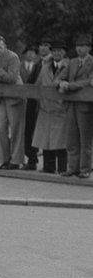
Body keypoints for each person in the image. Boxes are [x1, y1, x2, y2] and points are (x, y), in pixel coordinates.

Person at [56, 33, 93, 178]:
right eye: (78, 46)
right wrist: (60, 83)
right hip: (70, 105)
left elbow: (89, 82)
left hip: (85, 106)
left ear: (89, 48)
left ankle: (84, 169)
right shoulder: (72, 62)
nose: (79, 49)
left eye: (83, 46)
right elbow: (59, 77)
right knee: (71, 139)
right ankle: (72, 168)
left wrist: (69, 86)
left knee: (85, 139)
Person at [0, 35, 24, 169]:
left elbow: (11, 78)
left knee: (15, 129)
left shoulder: (13, 57)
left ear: (5, 47)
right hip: (1, 98)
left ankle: (15, 160)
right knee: (0, 129)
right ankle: (4, 159)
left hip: (15, 97)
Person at [32, 40, 68, 174]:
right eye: (54, 51)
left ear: (64, 52)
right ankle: (48, 168)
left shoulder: (68, 66)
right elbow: (38, 85)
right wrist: (40, 101)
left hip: (61, 110)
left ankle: (63, 168)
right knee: (46, 140)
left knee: (61, 142)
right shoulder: (45, 67)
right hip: (46, 108)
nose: (57, 53)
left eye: (59, 50)